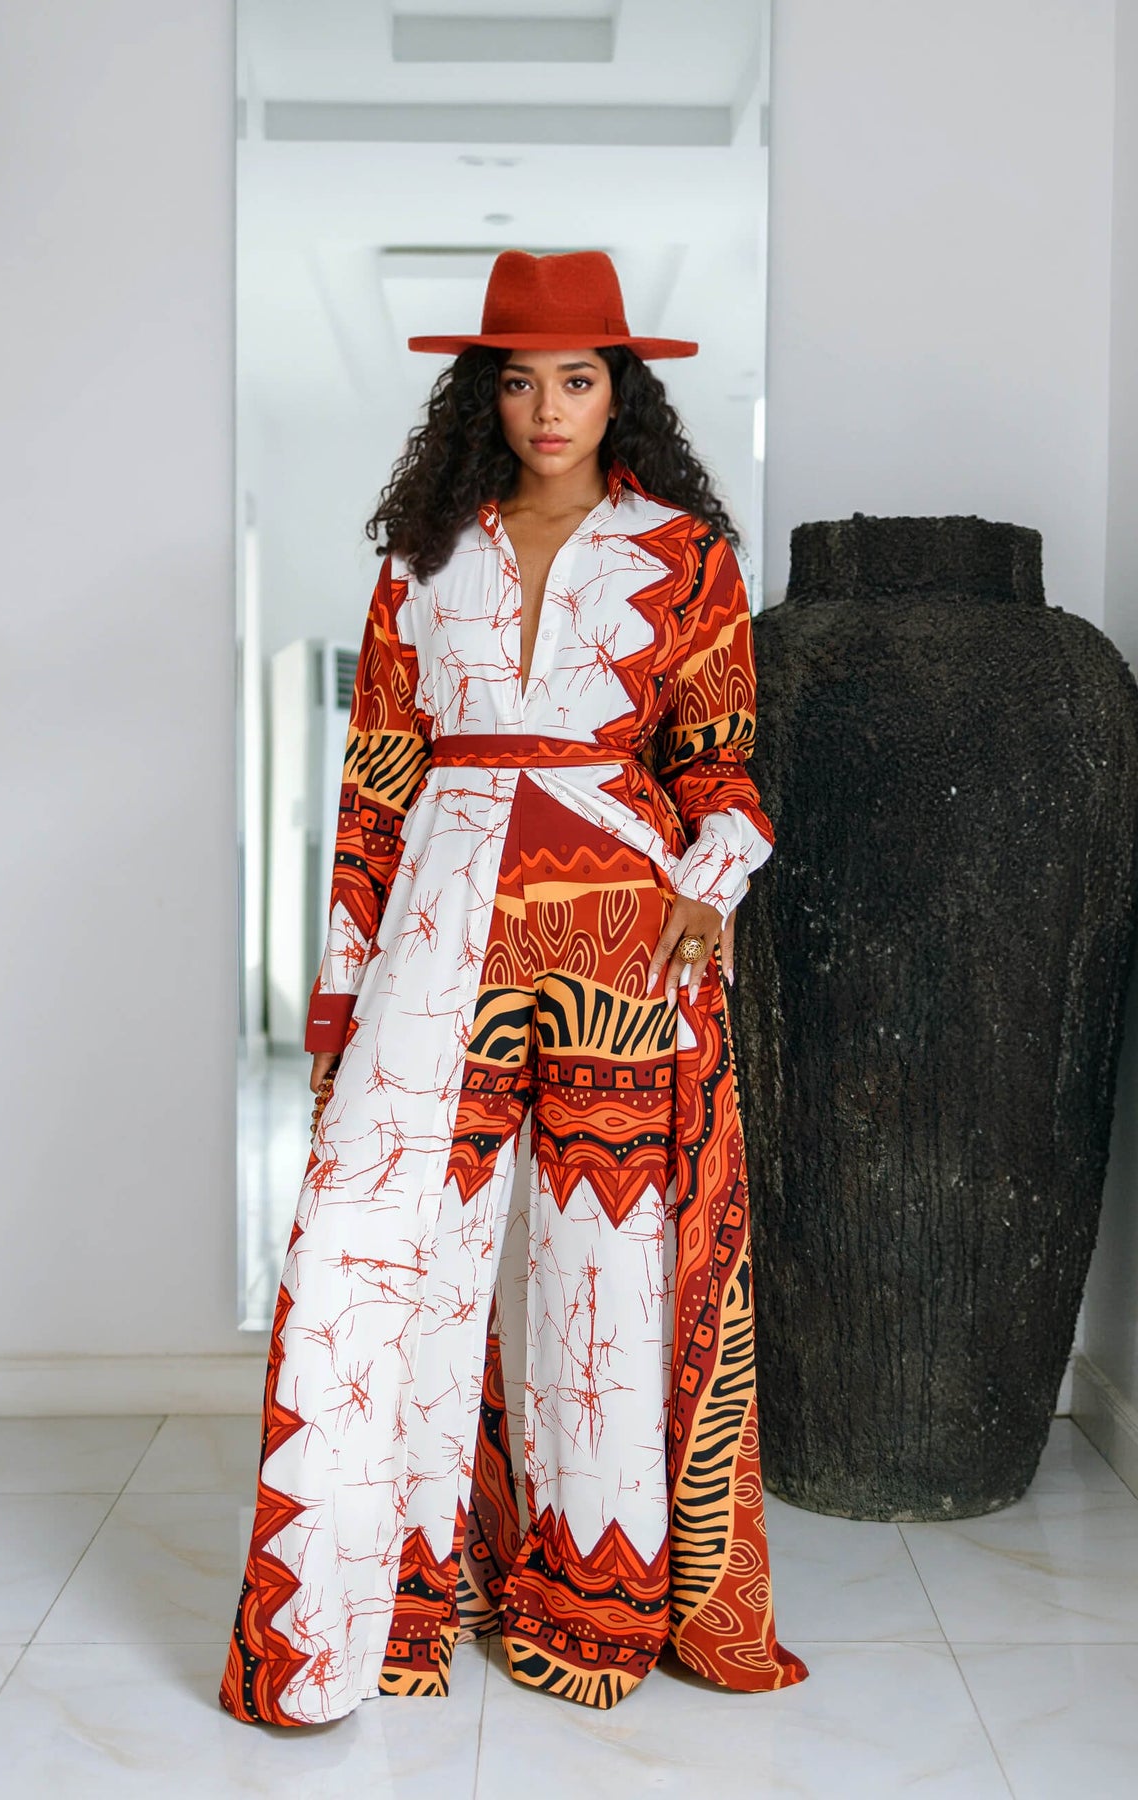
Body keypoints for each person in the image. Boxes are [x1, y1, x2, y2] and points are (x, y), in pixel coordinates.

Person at [219, 249, 809, 1727]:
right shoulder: (423, 558)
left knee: (601, 1270)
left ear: (621, 392)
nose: (550, 407)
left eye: (578, 378)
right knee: (382, 1251)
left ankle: (590, 1607)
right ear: (484, 395)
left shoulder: (686, 556)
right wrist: (340, 997)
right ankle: (386, 1607)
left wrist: (708, 887)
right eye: (522, 380)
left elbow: (724, 768)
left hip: (624, 942)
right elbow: (375, 788)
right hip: (438, 930)